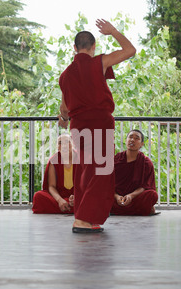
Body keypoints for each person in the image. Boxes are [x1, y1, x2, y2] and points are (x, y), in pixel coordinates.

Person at [58, 19, 136, 233]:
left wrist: (63, 119)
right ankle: (83, 219)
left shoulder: (64, 75)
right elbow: (130, 50)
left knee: (85, 171)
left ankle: (86, 218)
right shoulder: (99, 62)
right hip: (99, 124)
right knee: (101, 172)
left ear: (74, 48)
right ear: (93, 47)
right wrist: (112, 31)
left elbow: (64, 109)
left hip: (78, 126)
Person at [111, 130, 158, 216]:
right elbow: (108, 183)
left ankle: (117, 210)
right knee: (99, 192)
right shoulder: (116, 159)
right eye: (130, 137)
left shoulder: (146, 163)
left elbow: (145, 186)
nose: (132, 140)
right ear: (126, 141)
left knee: (152, 195)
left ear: (141, 144)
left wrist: (131, 196)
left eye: (136, 138)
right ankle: (141, 210)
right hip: (116, 197)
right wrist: (117, 196)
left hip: (135, 198)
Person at [33, 134, 77, 214]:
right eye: (60, 143)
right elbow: (51, 186)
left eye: (67, 142)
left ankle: (69, 207)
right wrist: (60, 200)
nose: (64, 145)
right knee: (38, 196)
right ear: (57, 147)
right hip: (59, 196)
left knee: (92, 197)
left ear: (73, 144)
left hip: (77, 195)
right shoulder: (54, 160)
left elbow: (86, 184)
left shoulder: (81, 158)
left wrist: (77, 197)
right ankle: (71, 207)